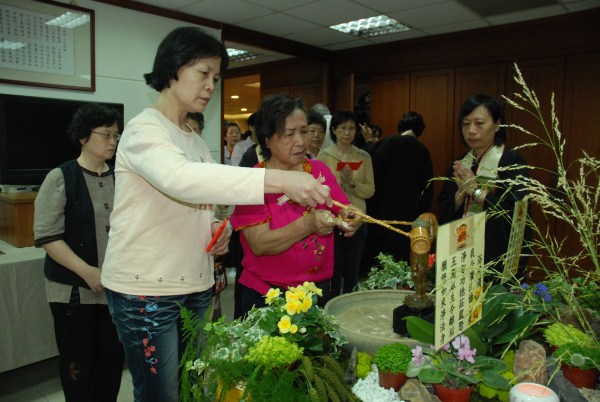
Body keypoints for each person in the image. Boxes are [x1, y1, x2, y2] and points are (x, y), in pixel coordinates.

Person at [101, 27, 331, 402]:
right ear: (173, 69)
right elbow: (181, 180)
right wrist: (281, 181)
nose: (211, 85)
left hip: (191, 283)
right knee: (162, 394)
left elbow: (195, 197)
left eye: (216, 77)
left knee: (191, 388)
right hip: (146, 290)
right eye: (203, 73)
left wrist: (212, 227)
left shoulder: (191, 138)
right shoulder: (144, 129)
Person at [230, 94, 360, 316]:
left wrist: (353, 216)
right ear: (267, 139)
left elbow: (344, 206)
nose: (300, 141)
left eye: (304, 131)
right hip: (269, 295)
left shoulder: (318, 170)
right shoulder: (254, 181)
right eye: (289, 134)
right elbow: (260, 244)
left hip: (317, 290)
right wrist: (308, 224)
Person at [33, 103, 125, 401]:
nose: (113, 141)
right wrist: (87, 271)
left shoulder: (122, 178)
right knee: (79, 365)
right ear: (83, 137)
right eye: (106, 134)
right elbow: (48, 236)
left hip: (114, 289)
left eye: (116, 135)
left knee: (112, 362)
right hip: (72, 291)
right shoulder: (61, 177)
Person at [438, 94, 530, 277]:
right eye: (466, 124)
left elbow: (517, 212)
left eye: (479, 123)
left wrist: (476, 191)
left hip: (496, 252)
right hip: (461, 249)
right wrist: (461, 195)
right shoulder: (460, 163)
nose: (471, 130)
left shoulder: (512, 161)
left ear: (497, 125)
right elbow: (444, 205)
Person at [361, 112, 433, 273]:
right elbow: (427, 188)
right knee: (402, 256)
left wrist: (368, 142)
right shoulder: (423, 151)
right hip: (409, 213)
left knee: (380, 257)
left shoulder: (390, 142)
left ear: (401, 126)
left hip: (383, 210)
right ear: (420, 130)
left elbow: (372, 162)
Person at [317, 110, 375, 295]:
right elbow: (317, 188)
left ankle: (350, 302)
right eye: (343, 128)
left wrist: (352, 183)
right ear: (334, 130)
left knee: (352, 269)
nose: (347, 132)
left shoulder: (364, 156)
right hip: (332, 220)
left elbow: (370, 190)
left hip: (356, 220)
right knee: (333, 268)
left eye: (351, 128)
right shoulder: (324, 156)